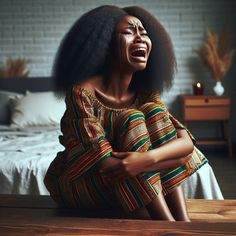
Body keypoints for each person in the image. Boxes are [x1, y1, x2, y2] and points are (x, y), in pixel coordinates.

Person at [44, 5, 207, 221]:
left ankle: (183, 224)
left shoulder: (146, 93)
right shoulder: (81, 92)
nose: (140, 38)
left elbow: (186, 143)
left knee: (153, 112)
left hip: (131, 187)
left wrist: (147, 158)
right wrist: (171, 159)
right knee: (132, 118)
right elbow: (108, 165)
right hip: (83, 184)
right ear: (106, 45)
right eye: (129, 32)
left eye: (144, 33)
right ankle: (167, 227)